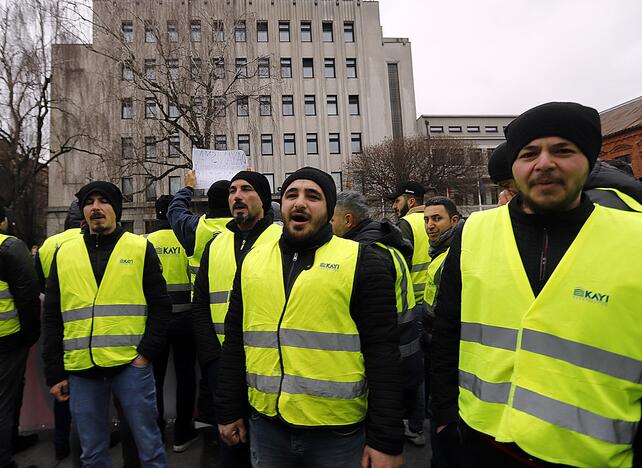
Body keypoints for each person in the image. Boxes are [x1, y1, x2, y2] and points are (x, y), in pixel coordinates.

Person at [431, 102, 642, 467]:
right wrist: (445, 418)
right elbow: (446, 332)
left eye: (563, 150)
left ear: (590, 162)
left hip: (592, 456)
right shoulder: (474, 232)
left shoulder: (634, 238)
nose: (544, 163)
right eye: (529, 153)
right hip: (482, 443)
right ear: (514, 167)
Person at [216, 167, 404, 467]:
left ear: (329, 211)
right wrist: (227, 410)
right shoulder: (252, 261)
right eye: (291, 195)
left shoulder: (362, 261)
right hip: (267, 427)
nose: (300, 203)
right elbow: (235, 341)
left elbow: (383, 354)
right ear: (282, 205)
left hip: (337, 434)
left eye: (312, 196)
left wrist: (386, 440)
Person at [42, 181, 171, 467]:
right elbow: (51, 316)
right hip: (82, 369)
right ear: (83, 210)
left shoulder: (139, 248)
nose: (96, 208)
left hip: (130, 366)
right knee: (92, 453)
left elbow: (161, 307)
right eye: (89, 202)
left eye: (104, 202)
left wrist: (145, 354)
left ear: (117, 209)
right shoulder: (64, 253)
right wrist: (55, 371)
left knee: (148, 447)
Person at [192, 171, 281, 467]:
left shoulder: (282, 240)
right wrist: (210, 359)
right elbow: (201, 305)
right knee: (231, 446)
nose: (237, 196)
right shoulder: (215, 245)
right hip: (222, 365)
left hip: (270, 365)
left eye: (246, 189)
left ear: (264, 199)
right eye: (232, 191)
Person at [331, 191, 425, 447]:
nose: (330, 226)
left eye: (332, 220)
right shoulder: (387, 244)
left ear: (348, 221)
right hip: (404, 349)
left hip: (387, 356)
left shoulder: (365, 254)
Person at [167, 172, 232, 444]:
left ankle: (210, 428)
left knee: (206, 377)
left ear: (207, 204)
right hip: (242, 323)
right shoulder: (249, 228)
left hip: (202, 319)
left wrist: (188, 188)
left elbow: (174, 210)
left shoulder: (197, 229)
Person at [146, 195, 198, 452]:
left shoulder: (146, 243)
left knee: (154, 377)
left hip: (157, 320)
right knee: (186, 376)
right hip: (187, 318)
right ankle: (182, 432)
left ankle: (155, 430)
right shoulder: (188, 239)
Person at [34, 199, 83, 460]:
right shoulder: (88, 239)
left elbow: (40, 287)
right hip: (84, 322)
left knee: (62, 387)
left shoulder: (48, 246)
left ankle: (61, 443)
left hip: (57, 319)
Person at [0, 204, 41, 468]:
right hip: (7, 339)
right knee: (5, 399)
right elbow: (28, 296)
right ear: (2, 221)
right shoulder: (10, 247)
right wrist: (30, 335)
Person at [167, 171, 232, 287]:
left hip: (202, 301)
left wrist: (188, 187)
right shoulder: (247, 226)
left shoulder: (195, 227)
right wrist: (252, 186)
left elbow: (175, 210)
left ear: (209, 201)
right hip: (244, 302)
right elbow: (267, 211)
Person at [387, 181, 430, 305]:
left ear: (411, 202)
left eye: (397, 201)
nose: (393, 206)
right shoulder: (437, 220)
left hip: (414, 299)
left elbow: (401, 263)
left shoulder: (405, 223)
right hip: (434, 295)